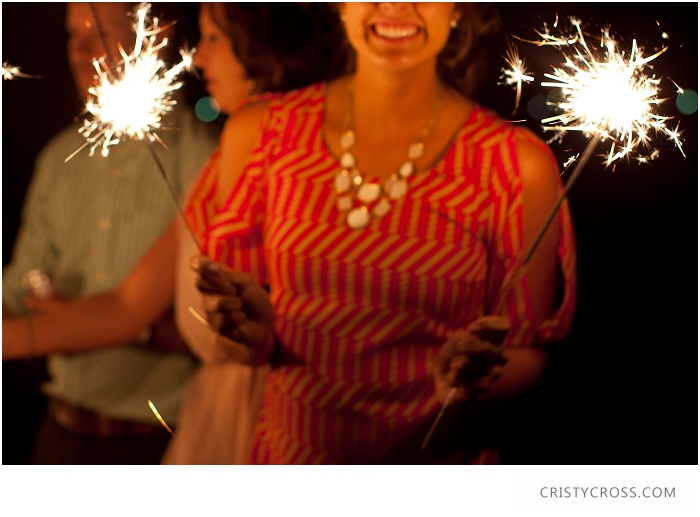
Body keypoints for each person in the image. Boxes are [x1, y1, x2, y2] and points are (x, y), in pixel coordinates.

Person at [191, 2, 578, 464]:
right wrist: (248, 336)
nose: (394, 4)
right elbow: (234, 337)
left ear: (460, 8)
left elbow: (527, 353)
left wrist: (478, 371)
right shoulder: (262, 134)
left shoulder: (514, 166)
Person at [2, 2, 350, 464]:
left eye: (212, 38)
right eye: (73, 33)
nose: (198, 58)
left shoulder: (231, 156)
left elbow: (129, 309)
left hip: (248, 422)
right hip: (74, 428)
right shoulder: (61, 160)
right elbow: (123, 303)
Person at [1, 2, 218, 464]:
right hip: (60, 432)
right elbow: (19, 288)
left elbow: (209, 325)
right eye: (71, 34)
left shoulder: (204, 162)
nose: (79, 49)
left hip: (160, 443)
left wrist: (74, 324)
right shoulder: (58, 160)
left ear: (153, 38)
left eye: (98, 32)